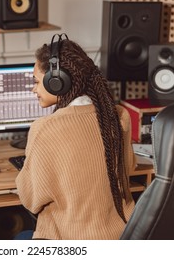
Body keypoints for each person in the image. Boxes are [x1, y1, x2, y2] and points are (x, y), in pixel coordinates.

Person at [15, 34, 136, 240]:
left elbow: (30, 199)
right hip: (123, 235)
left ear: (56, 82)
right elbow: (129, 167)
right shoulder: (117, 116)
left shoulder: (44, 129)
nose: (33, 88)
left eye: (36, 81)